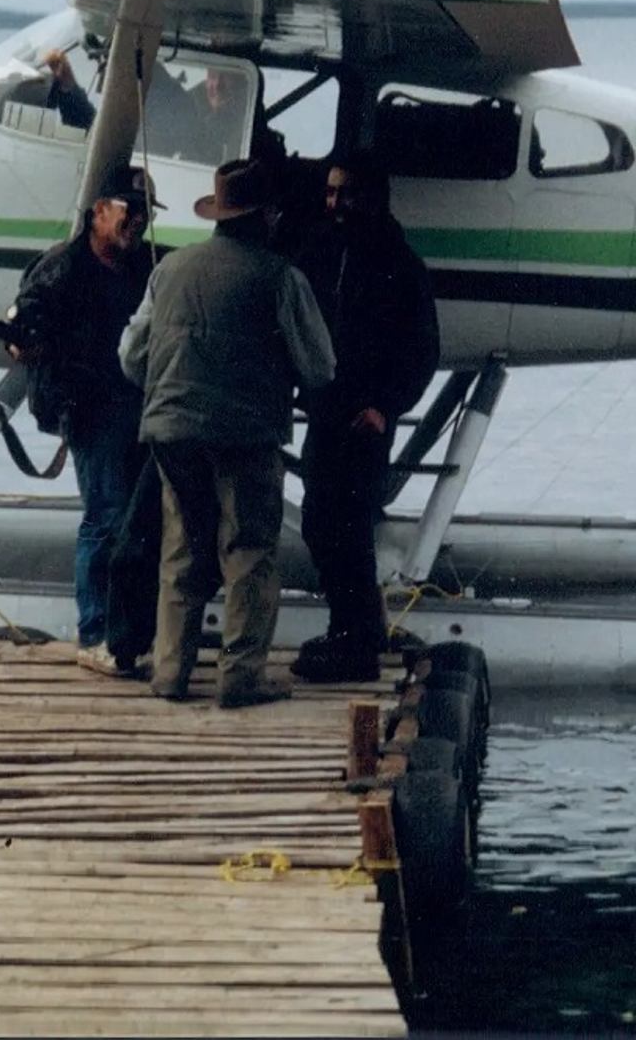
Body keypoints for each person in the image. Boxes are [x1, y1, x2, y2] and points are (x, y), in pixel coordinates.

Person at [119, 158, 336, 707]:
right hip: (246, 434)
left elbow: (130, 357)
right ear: (267, 216)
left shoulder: (168, 269)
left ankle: (170, 674)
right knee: (247, 553)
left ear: (218, 214)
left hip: (168, 430)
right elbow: (319, 367)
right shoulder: (281, 276)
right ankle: (240, 680)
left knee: (183, 551)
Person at [291, 158, 440, 683]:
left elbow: (423, 351)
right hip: (325, 412)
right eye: (330, 194)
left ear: (374, 198)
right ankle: (355, 627)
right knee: (319, 522)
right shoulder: (319, 251)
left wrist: (386, 406)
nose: (334, 205)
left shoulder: (401, 264)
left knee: (347, 529)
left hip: (365, 420)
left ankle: (354, 643)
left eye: (345, 195)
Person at [8, 165, 153, 669]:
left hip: (132, 403)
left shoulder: (143, 268)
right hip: (89, 408)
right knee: (105, 516)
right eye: (129, 211)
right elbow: (26, 321)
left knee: (134, 520)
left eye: (145, 213)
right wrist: (24, 339)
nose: (138, 221)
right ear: (98, 213)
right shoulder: (59, 270)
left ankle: (129, 632)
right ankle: (94, 634)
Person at [42, 47, 96, 130]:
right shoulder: (56, 85)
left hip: (86, 120)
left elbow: (81, 101)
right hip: (74, 125)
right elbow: (50, 106)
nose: (67, 66)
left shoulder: (67, 80)